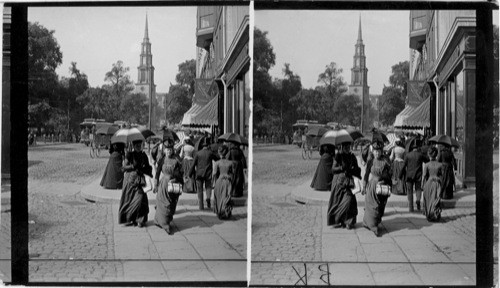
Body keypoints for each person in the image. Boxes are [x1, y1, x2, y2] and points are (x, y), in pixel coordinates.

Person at [118, 140, 152, 228]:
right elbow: (123, 168)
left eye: (139, 144)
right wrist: (133, 166)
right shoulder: (129, 155)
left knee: (141, 199)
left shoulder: (144, 155)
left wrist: (147, 169)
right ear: (133, 145)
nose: (138, 146)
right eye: (136, 145)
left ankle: (140, 220)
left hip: (140, 180)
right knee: (129, 200)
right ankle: (129, 218)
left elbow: (148, 167)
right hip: (130, 180)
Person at [327, 142, 361, 229]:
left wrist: (353, 169)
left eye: (348, 146)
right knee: (338, 202)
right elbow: (333, 169)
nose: (347, 148)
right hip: (339, 182)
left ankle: (349, 221)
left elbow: (357, 168)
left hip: (348, 182)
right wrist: (342, 168)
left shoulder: (352, 156)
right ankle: (339, 220)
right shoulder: (338, 156)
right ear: (342, 147)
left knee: (349, 201)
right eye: (345, 146)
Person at [362, 141, 392, 237]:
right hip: (371, 188)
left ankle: (375, 222)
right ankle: (372, 225)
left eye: (379, 151)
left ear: (382, 151)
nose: (377, 153)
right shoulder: (370, 161)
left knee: (380, 206)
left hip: (381, 188)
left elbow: (390, 174)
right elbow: (366, 175)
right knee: (371, 206)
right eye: (375, 151)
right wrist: (364, 186)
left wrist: (384, 178)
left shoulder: (386, 162)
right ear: (373, 151)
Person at [154, 142, 183, 235]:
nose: (169, 152)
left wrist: (175, 178)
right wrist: (155, 184)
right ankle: (164, 223)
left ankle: (166, 221)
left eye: (170, 150)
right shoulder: (162, 160)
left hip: (172, 185)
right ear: (164, 150)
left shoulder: (176, 160)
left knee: (170, 204)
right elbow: (157, 173)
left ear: (172, 150)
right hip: (163, 185)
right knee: (162, 203)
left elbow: (180, 173)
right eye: (167, 150)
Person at [399, 140, 429, 212]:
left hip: (409, 175)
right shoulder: (420, 155)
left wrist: (400, 175)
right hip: (418, 175)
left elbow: (403, 166)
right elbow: (427, 160)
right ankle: (418, 200)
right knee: (418, 189)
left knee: (410, 191)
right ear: (417, 148)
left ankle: (411, 207)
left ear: (411, 148)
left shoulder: (408, 155)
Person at [190, 138, 218, 210]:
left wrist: (189, 173)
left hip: (199, 173)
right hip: (208, 173)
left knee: (200, 190)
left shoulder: (198, 153)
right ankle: (208, 198)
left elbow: (193, 165)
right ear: (208, 146)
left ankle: (201, 206)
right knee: (208, 187)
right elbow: (217, 158)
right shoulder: (210, 153)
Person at [212, 145, 235, 219]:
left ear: (219, 153)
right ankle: (226, 211)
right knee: (226, 197)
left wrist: (214, 183)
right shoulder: (231, 163)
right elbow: (233, 174)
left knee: (219, 197)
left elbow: (214, 174)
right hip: (228, 181)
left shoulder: (217, 163)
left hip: (219, 181)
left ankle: (220, 212)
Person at [422, 146, 443, 222]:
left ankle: (429, 214)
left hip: (429, 183)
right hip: (437, 183)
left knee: (428, 199)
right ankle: (435, 214)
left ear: (429, 154)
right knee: (436, 199)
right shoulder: (440, 164)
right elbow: (442, 176)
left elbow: (424, 176)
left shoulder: (427, 165)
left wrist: (422, 185)